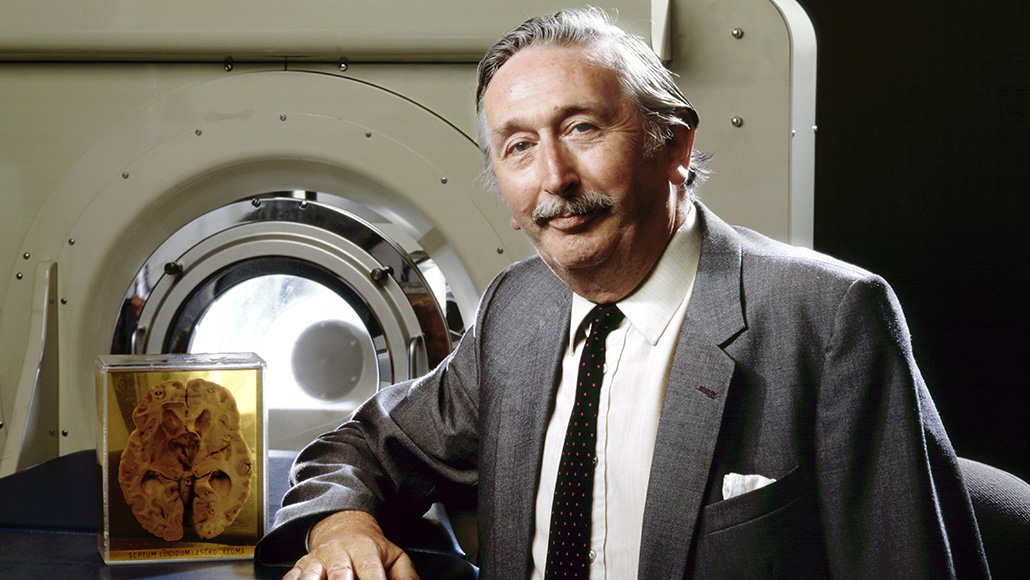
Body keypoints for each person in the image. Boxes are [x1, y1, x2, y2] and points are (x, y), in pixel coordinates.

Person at [256, 8, 989, 579]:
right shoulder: (520, 308)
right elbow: (356, 448)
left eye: (582, 128)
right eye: (518, 146)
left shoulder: (827, 319)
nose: (554, 178)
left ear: (675, 147)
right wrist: (341, 528)